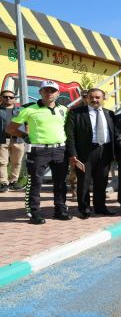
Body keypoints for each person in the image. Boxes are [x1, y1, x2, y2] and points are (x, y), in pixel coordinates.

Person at [7, 80, 69, 224]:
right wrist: (24, 136)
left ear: (58, 93)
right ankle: (34, 213)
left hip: (60, 150)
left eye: (52, 90)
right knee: (35, 183)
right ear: (40, 92)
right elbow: (10, 129)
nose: (49, 93)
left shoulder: (64, 110)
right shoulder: (29, 109)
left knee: (60, 183)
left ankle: (60, 209)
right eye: (46, 90)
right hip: (39, 150)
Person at [65, 88, 116, 218]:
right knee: (84, 182)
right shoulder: (75, 113)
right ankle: (84, 208)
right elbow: (70, 134)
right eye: (91, 97)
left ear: (104, 99)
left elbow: (114, 134)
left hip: (105, 151)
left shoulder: (110, 114)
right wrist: (72, 153)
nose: (94, 100)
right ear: (87, 98)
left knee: (102, 181)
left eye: (98, 97)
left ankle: (100, 207)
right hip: (84, 152)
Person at [0, 90, 25, 192]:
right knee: (2, 162)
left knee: (17, 162)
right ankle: (3, 183)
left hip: (18, 140)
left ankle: (13, 181)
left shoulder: (21, 110)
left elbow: (28, 123)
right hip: (2, 139)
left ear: (15, 99)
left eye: (11, 97)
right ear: (1, 97)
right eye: (5, 97)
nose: (8, 99)